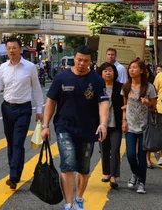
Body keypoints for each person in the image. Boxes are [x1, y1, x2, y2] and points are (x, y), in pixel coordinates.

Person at [42, 45, 109, 210]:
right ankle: (68, 204)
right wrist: (45, 126)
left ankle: (79, 199)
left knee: (84, 168)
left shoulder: (97, 80)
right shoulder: (61, 78)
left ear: (90, 61)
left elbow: (103, 103)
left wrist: (103, 124)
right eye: (79, 60)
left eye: (85, 61)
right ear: (75, 58)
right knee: (68, 163)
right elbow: (51, 102)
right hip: (64, 127)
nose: (81, 63)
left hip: (88, 129)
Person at [0, 38, 43, 190]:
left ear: (20, 49)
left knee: (18, 142)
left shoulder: (30, 67)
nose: (11, 50)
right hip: (7, 109)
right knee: (11, 142)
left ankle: (13, 176)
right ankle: (15, 169)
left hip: (24, 109)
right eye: (9, 48)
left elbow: (36, 89)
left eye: (14, 47)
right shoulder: (3, 68)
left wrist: (39, 110)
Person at [122, 59, 157, 194]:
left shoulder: (149, 87)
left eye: (135, 68)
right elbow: (124, 106)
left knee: (142, 156)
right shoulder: (126, 87)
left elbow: (154, 108)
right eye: (130, 68)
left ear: (142, 70)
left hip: (145, 127)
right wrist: (124, 121)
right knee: (130, 154)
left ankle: (141, 182)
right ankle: (135, 173)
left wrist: (148, 103)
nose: (131, 70)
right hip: (130, 125)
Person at [97, 62, 123, 189]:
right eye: (105, 71)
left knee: (116, 148)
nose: (108, 73)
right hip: (102, 124)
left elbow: (124, 104)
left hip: (116, 123)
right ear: (101, 73)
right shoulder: (97, 87)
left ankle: (114, 175)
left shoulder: (120, 87)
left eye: (110, 71)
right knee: (104, 150)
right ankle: (106, 173)